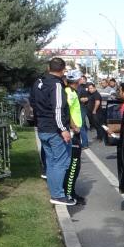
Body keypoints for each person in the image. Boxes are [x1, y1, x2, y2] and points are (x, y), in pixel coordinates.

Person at [30, 57, 74, 206]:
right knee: (61, 162)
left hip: (42, 128)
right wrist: (63, 129)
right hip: (54, 129)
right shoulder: (56, 85)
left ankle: (54, 190)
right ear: (63, 70)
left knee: (51, 161)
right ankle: (58, 194)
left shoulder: (39, 82)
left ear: (48, 68)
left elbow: (33, 103)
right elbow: (57, 109)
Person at [63, 71, 87, 205]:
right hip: (73, 132)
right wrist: (73, 126)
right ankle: (69, 193)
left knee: (75, 165)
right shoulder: (69, 93)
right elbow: (67, 111)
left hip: (75, 132)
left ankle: (71, 192)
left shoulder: (71, 92)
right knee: (73, 165)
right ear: (77, 81)